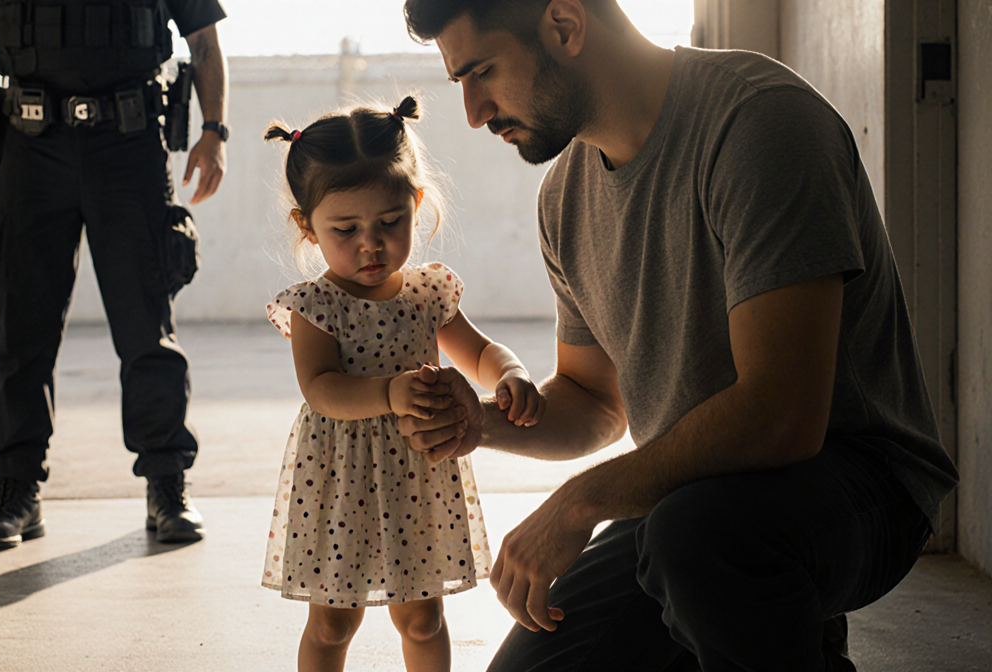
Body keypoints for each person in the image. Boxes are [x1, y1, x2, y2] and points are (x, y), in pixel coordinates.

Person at [394, 1, 961, 670]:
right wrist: (481, 425)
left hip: (859, 485)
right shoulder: (566, 197)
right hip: (688, 499)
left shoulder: (760, 122)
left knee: (699, 543)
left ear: (566, 26)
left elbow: (782, 417)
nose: (474, 111)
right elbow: (595, 402)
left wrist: (580, 503)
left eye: (481, 71)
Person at [260, 96, 546, 672]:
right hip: (339, 478)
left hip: (418, 474)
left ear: (416, 204)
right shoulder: (316, 305)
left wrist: (510, 372)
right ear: (307, 227)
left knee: (422, 617)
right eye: (346, 229)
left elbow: (480, 351)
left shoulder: (427, 293)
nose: (371, 243)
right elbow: (320, 388)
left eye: (390, 222)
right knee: (333, 621)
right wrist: (388, 393)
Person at [0, 0, 230, 548]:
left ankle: (167, 484)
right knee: (21, 329)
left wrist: (214, 132)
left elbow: (206, 43)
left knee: (146, 328)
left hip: (129, 146)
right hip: (30, 148)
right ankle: (15, 489)